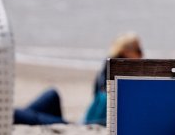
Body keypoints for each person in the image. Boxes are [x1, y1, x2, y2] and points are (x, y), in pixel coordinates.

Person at [13, 32, 142, 126]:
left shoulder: (109, 67)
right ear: (126, 51)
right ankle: (12, 116)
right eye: (138, 49)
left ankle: (12, 116)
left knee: (49, 97)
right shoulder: (118, 72)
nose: (141, 53)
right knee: (32, 109)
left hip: (78, 123)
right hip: (80, 125)